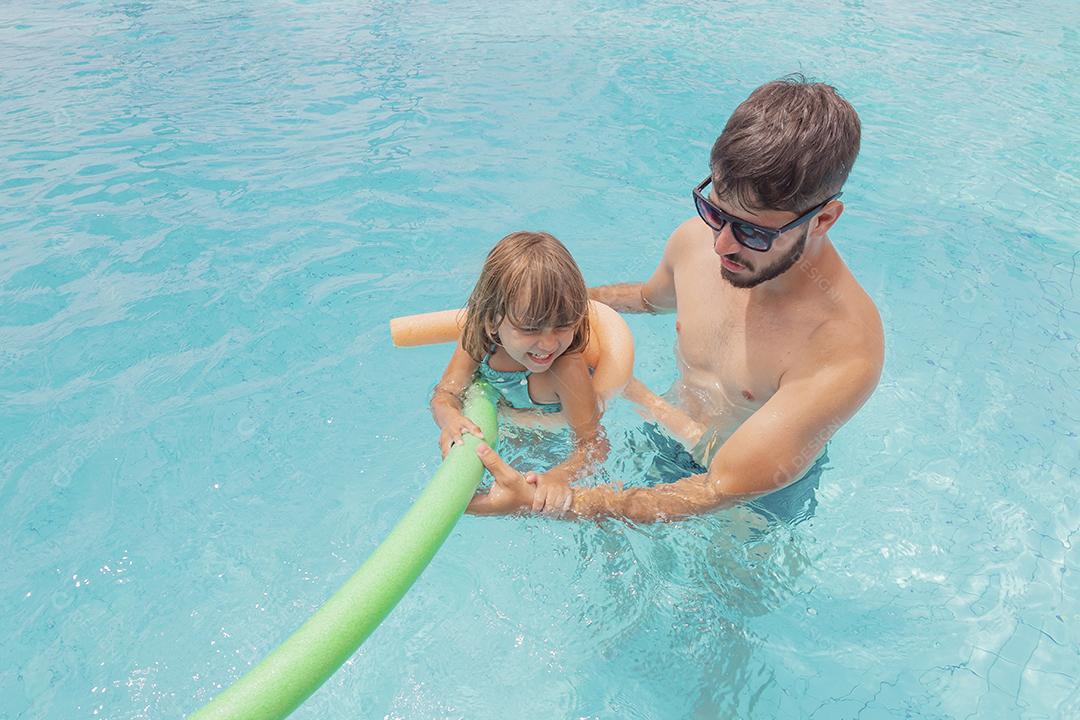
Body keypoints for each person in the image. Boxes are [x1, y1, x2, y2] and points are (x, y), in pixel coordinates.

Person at [467, 76, 884, 522]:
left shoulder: (843, 349)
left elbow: (716, 490)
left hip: (753, 496)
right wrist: (541, 308)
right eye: (715, 211)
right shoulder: (695, 243)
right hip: (670, 438)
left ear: (823, 219)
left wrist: (535, 504)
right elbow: (648, 299)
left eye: (754, 231)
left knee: (725, 591)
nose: (721, 245)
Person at [431, 231, 608, 514]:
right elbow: (445, 393)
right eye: (530, 328)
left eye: (563, 325)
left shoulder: (566, 367)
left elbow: (593, 444)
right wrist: (449, 417)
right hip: (508, 439)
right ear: (492, 320)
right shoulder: (479, 342)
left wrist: (558, 476)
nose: (549, 343)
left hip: (552, 450)